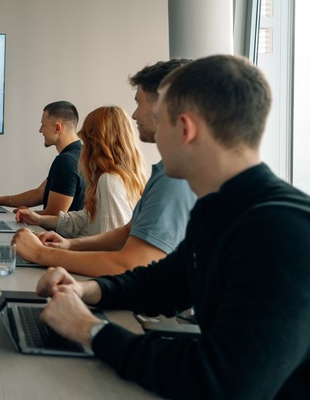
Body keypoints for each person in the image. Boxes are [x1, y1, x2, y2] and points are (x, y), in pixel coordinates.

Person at [28, 55, 310, 399]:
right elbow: (164, 282)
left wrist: (89, 329)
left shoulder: (282, 231)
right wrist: (88, 291)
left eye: (158, 121)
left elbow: (219, 382)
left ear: (186, 129)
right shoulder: (219, 208)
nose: (146, 129)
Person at [13, 60, 196, 277]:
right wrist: (68, 245)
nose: (135, 115)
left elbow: (123, 261)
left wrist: (41, 254)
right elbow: (122, 231)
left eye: (139, 102)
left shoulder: (171, 179)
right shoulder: (162, 171)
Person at [16, 106, 147, 238]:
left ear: (96, 142)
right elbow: (84, 220)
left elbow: (109, 246)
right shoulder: (121, 176)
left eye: (87, 140)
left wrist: (61, 249)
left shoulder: (109, 180)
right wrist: (38, 219)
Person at [0, 101, 85, 215]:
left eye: (43, 125)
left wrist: (27, 213)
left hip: (61, 233)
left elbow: (55, 215)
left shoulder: (65, 161)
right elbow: (39, 193)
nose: (40, 130)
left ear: (57, 128)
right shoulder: (82, 154)